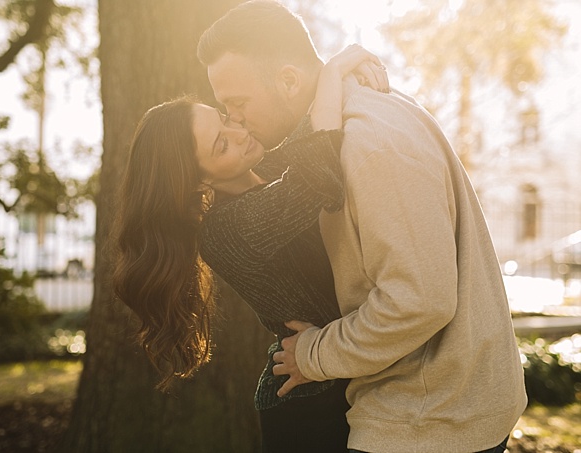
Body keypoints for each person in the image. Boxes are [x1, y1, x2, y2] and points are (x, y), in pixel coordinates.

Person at [197, 1, 528, 452]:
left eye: (236, 105)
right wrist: (333, 72)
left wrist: (314, 353)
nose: (236, 120)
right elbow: (301, 172)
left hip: (426, 419)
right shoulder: (359, 118)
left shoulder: (367, 145)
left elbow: (419, 300)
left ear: (289, 80)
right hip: (433, 406)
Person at [112, 45, 389, 452]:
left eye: (225, 119)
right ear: (198, 184)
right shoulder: (226, 231)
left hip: (339, 373)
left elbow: (310, 123)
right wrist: (333, 72)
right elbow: (321, 176)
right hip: (305, 403)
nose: (240, 134)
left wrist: (344, 76)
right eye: (221, 146)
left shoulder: (269, 170)